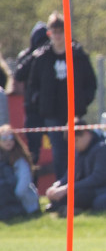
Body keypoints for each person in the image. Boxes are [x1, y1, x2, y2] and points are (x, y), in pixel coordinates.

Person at [27, 13, 98, 180]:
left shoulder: (78, 56)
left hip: (74, 113)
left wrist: (83, 102)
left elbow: (91, 83)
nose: (58, 36)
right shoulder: (42, 57)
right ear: (49, 33)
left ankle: (77, 186)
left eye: (61, 31)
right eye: (55, 32)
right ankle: (62, 187)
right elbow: (33, 85)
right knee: (59, 152)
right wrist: (40, 102)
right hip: (52, 114)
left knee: (77, 152)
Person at [45, 124, 106, 215]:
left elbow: (97, 179)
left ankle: (72, 208)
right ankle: (65, 207)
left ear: (86, 133)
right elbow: (71, 173)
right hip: (91, 188)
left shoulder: (105, 148)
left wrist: (67, 189)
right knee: (62, 194)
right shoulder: (81, 150)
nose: (74, 145)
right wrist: (57, 186)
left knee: (80, 195)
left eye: (76, 140)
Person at [13, 22, 49, 163]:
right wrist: (35, 54)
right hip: (33, 109)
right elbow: (19, 74)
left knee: (58, 146)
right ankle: (32, 174)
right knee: (33, 149)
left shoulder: (51, 54)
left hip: (51, 108)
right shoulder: (28, 55)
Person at [0, 125, 39, 219]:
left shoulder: (21, 160)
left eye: (11, 138)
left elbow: (22, 187)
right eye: (4, 138)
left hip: (24, 201)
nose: (8, 141)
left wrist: (11, 198)